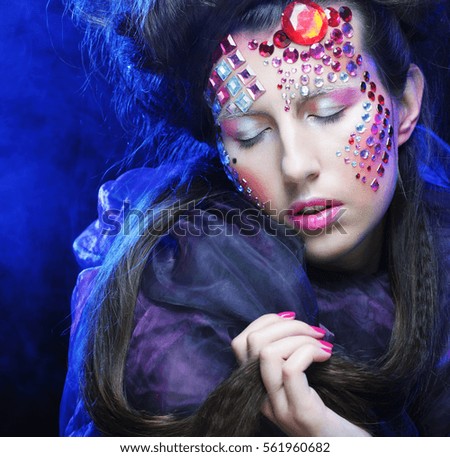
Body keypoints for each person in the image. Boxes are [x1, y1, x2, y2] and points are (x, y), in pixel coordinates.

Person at [60, 0, 450, 436]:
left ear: (407, 104)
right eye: (249, 133)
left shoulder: (440, 237)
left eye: (328, 113)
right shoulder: (174, 305)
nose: (295, 166)